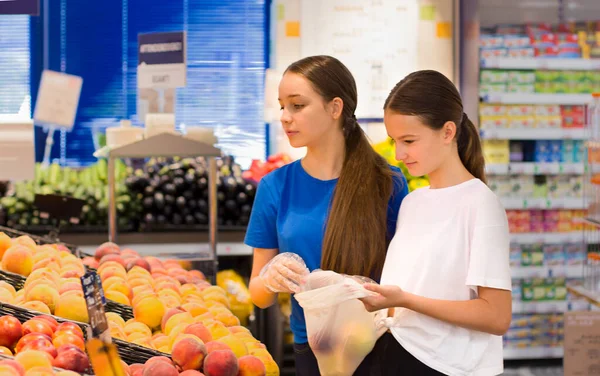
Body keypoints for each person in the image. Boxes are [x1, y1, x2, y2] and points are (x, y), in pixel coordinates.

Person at [244, 55, 408, 375]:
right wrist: (269, 279)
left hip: (378, 346)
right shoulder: (275, 186)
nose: (285, 117)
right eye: (282, 106)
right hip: (310, 350)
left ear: (335, 108)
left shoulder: (387, 182)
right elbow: (258, 296)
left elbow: (404, 280)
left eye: (297, 105)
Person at [359, 70, 512, 376]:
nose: (400, 154)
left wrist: (405, 300)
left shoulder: (481, 204)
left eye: (409, 140)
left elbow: (496, 316)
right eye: (394, 141)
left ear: (447, 132)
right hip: (396, 354)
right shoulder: (413, 202)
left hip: (448, 367)